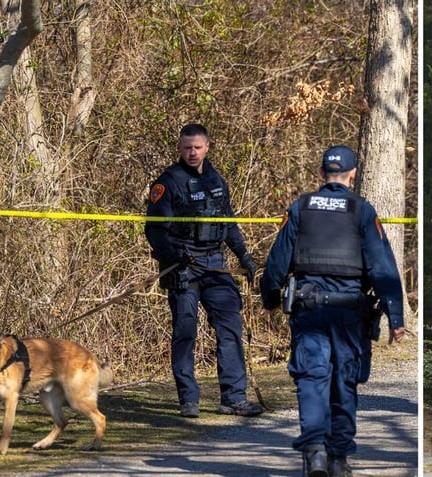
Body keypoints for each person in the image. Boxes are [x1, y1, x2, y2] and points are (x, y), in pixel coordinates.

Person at [259, 145, 406, 477]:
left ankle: (314, 453)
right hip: (350, 315)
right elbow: (383, 269)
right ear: (352, 174)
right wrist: (396, 318)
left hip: (309, 310)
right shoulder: (363, 212)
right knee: (345, 381)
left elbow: (278, 261)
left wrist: (269, 298)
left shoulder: (300, 208)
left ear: (321, 173)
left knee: (312, 380)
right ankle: (338, 457)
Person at [145, 123, 263, 418]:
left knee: (229, 329)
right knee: (185, 331)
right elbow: (154, 231)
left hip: (215, 265)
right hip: (182, 266)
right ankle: (188, 399)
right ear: (179, 149)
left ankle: (233, 398)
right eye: (187, 147)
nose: (192, 152)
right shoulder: (167, 182)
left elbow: (229, 224)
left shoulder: (216, 180)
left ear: (207, 147)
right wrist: (174, 255)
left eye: (197, 147)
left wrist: (243, 256)